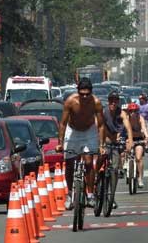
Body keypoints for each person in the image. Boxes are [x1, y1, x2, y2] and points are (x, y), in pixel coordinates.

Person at [56, 77, 105, 209]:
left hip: (89, 131)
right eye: (81, 94)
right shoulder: (71, 101)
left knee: (89, 162)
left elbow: (100, 125)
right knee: (70, 163)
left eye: (87, 94)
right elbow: (63, 123)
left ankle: (90, 195)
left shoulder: (96, 103)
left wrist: (101, 145)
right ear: (78, 92)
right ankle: (70, 194)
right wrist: (60, 143)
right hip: (73, 131)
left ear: (91, 93)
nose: (84, 97)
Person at [102, 91, 134, 209]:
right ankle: (95, 182)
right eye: (111, 100)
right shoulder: (103, 112)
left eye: (115, 101)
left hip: (115, 143)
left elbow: (128, 127)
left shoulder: (122, 113)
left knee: (114, 169)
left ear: (118, 102)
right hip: (104, 141)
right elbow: (98, 126)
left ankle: (111, 196)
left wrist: (130, 140)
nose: (113, 103)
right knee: (99, 159)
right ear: (108, 101)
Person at [125, 102, 148, 188]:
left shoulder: (140, 118)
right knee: (126, 149)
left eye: (135, 111)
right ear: (128, 112)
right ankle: (127, 165)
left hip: (139, 140)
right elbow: (122, 130)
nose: (133, 113)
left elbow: (144, 128)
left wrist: (146, 137)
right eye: (131, 111)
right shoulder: (126, 119)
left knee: (139, 158)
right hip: (129, 139)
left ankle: (140, 178)